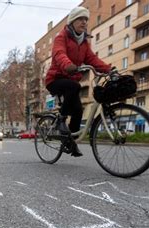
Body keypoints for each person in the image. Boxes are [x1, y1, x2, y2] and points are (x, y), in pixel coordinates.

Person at [45, 6, 111, 157]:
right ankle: (61, 119)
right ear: (73, 21)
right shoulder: (61, 37)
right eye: (81, 19)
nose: (84, 22)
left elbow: (92, 59)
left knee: (78, 111)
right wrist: (67, 65)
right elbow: (59, 53)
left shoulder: (84, 43)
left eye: (86, 20)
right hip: (55, 79)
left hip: (70, 80)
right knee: (74, 86)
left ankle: (70, 142)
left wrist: (108, 69)